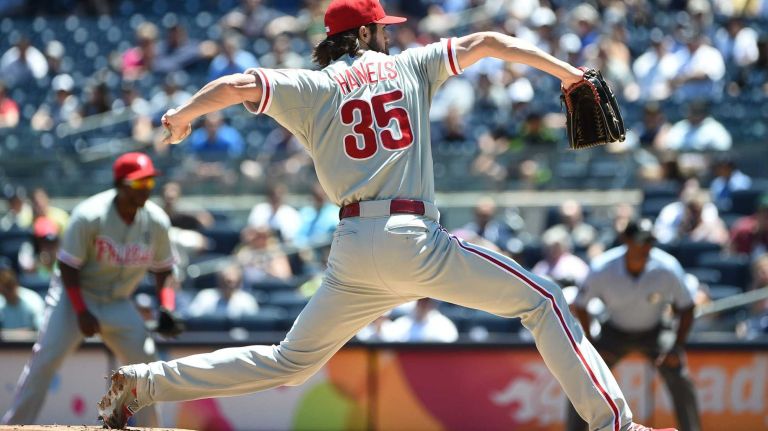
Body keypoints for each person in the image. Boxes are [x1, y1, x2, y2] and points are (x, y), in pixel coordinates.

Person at [99, 2, 676, 430]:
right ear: (370, 32)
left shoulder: (313, 85)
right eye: (382, 26)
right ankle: (617, 426)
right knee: (544, 300)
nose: (387, 33)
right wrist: (568, 74)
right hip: (413, 237)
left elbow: (236, 83)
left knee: (288, 362)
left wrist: (181, 115)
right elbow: (489, 40)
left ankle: (143, 383)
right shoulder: (408, 66)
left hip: (351, 248)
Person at [2, 152, 176, 427]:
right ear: (119, 185)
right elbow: (68, 268)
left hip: (118, 301)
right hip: (74, 298)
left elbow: (163, 269)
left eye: (149, 184)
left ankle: (151, 428)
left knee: (147, 365)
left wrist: (166, 305)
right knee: (44, 361)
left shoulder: (156, 221)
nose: (145, 190)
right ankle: (14, 426)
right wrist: (82, 311)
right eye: (138, 184)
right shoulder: (90, 215)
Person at [566, 220, 701, 431]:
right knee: (586, 376)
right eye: (641, 242)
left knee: (680, 374)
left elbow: (687, 307)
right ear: (625, 241)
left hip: (655, 330)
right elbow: (580, 305)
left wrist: (676, 346)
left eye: (650, 242)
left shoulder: (667, 266)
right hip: (615, 330)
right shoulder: (603, 266)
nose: (646, 248)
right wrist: (592, 344)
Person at [186, 264, 259, 319]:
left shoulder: (247, 300)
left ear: (239, 282)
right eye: (226, 280)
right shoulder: (205, 297)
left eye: (232, 281)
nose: (229, 281)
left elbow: (254, 325)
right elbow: (192, 318)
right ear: (219, 280)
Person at [0, 256, 45, 332]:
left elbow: (41, 331)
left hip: (32, 343)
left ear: (15, 284)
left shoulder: (33, 301)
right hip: (6, 344)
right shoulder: (1, 303)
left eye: (9, 286)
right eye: (3, 290)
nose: (7, 293)